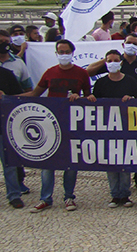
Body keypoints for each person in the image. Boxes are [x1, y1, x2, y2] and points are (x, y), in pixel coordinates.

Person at [21, 39, 95, 212]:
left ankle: (69, 196)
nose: (63, 54)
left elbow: (88, 98)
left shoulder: (81, 74)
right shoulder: (49, 73)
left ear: (72, 52)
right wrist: (10, 97)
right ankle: (45, 198)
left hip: (71, 123)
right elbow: (35, 94)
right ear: (56, 53)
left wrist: (80, 99)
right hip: (50, 123)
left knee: (71, 162)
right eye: (60, 52)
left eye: (66, 51)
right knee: (48, 163)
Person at [92, 49, 137, 208]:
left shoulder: (131, 81)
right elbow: (95, 102)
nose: (112, 63)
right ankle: (114, 195)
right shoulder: (100, 82)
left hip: (126, 127)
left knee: (125, 161)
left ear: (121, 62)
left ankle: (125, 195)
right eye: (109, 60)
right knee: (111, 162)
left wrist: (131, 99)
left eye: (115, 60)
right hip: (107, 127)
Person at [0, 66, 25, 209]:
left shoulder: (7, 74)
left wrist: (6, 97)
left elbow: (19, 97)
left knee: (9, 164)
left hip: (4, 125)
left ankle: (14, 195)